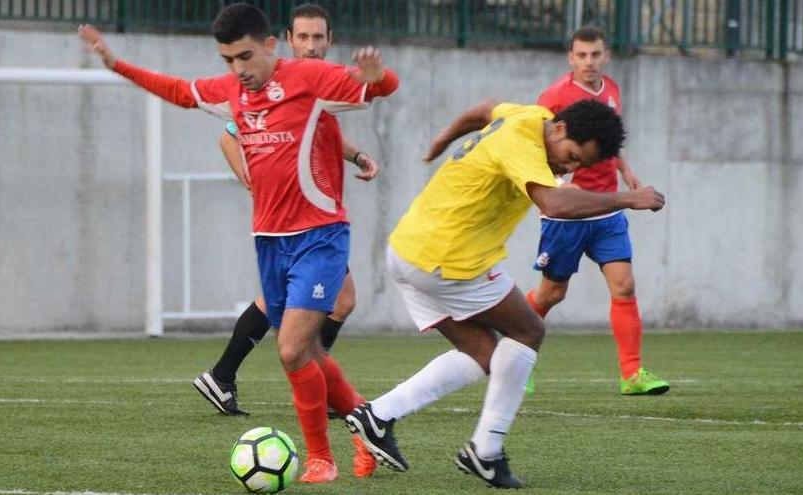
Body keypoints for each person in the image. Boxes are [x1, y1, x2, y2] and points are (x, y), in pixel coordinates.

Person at [78, 2, 398, 482]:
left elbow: (378, 87)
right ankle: (368, 425)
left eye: (245, 57)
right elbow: (177, 90)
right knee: (308, 353)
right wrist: (117, 64)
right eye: (229, 60)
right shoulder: (232, 91)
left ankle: (320, 459)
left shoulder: (309, 78)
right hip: (269, 242)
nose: (238, 70)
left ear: (270, 45)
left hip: (320, 236)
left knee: (291, 350)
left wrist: (380, 77)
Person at [347, 99, 664, 488]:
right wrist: (627, 199)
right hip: (446, 260)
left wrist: (443, 139)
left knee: (482, 354)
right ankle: (486, 451)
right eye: (572, 157)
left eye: (581, 165)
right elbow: (554, 203)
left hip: (410, 249)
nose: (571, 169)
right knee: (529, 330)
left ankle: (376, 415)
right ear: (560, 130)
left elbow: (481, 110)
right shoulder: (523, 142)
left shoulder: (528, 114)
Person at [200, 2, 381, 420]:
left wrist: (355, 157)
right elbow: (229, 137)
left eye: (319, 37)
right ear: (287, 39)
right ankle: (303, 379)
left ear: (330, 40)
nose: (312, 45)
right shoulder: (274, 81)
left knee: (330, 300)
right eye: (303, 37)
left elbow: (322, 136)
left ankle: (225, 375)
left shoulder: (319, 83)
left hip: (313, 220)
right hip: (296, 224)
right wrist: (253, 181)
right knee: (333, 299)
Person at [528, 27, 669, 395]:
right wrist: (559, 186)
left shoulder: (612, 91)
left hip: (608, 210)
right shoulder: (554, 96)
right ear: (570, 58)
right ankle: (513, 357)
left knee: (624, 285)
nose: (589, 62)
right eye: (582, 55)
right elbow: (535, 143)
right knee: (551, 294)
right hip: (568, 213)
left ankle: (633, 375)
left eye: (595, 55)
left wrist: (625, 170)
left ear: (605, 56)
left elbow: (609, 141)